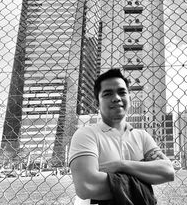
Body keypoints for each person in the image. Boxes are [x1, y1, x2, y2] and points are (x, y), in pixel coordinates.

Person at [69, 68, 175, 204]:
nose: (117, 98)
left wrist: (120, 165)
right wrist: (143, 176)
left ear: (129, 98)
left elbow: (167, 171)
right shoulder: (86, 135)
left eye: (122, 92)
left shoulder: (142, 136)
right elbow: (88, 186)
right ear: (97, 103)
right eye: (107, 94)